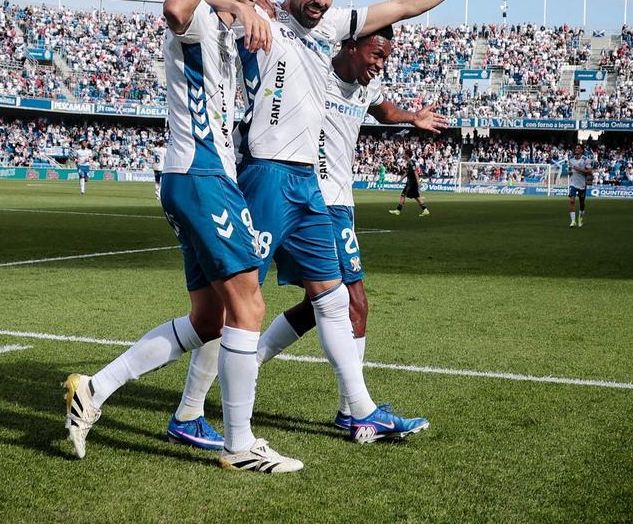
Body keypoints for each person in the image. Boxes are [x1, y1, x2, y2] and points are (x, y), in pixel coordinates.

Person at [224, 0, 502, 443]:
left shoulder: (341, 50)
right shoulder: (286, 36)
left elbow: (404, 10)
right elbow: (195, 2)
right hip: (277, 180)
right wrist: (241, 2)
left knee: (328, 302)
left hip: (320, 196)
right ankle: (202, 402)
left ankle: (352, 407)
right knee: (240, 302)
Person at [60, 0, 302, 473]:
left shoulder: (226, 19)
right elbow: (174, 6)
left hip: (197, 177)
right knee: (249, 305)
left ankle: (93, 390)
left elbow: (228, 5)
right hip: (201, 175)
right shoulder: (197, 21)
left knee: (208, 319)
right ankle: (240, 445)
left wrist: (240, 4)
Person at [182, 25, 449, 434]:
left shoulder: (367, 87)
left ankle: (260, 374)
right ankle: (351, 411)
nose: (380, 65)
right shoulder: (312, 69)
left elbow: (384, 111)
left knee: (323, 303)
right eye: (376, 55)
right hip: (291, 191)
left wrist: (413, 117)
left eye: (386, 58)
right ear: (351, 45)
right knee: (255, 299)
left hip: (333, 202)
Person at [389, 149, 429, 216]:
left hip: (411, 183)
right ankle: (425, 210)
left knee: (403, 195)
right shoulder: (409, 163)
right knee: (417, 197)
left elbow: (415, 172)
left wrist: (418, 181)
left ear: (407, 155)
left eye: (404, 154)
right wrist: (400, 180)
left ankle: (398, 211)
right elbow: (407, 172)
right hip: (411, 182)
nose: (403, 155)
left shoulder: (411, 162)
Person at [568, 143, 592, 227]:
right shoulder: (571, 160)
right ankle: (573, 221)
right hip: (573, 183)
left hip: (582, 184)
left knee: (582, 203)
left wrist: (578, 169)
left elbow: (589, 171)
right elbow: (570, 170)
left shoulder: (586, 160)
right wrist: (569, 171)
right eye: (576, 148)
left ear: (582, 150)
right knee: (572, 200)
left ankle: (580, 217)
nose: (576, 149)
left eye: (578, 148)